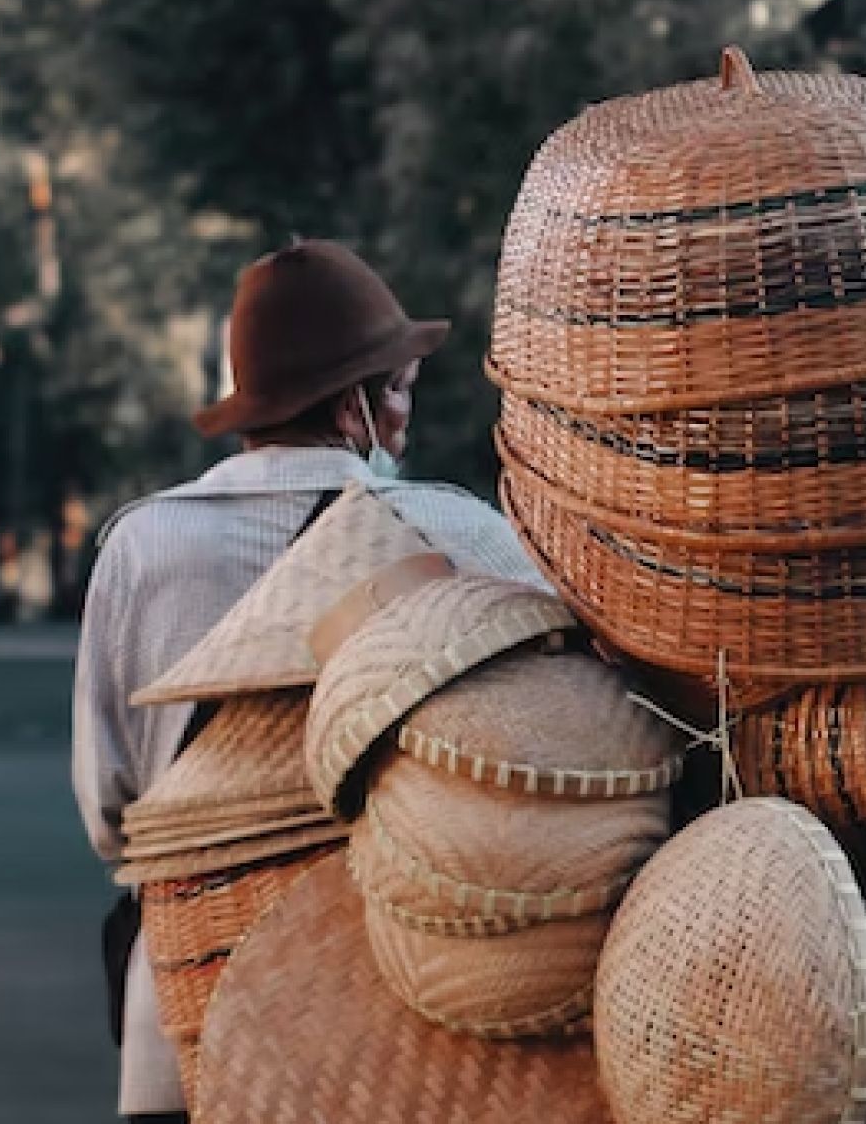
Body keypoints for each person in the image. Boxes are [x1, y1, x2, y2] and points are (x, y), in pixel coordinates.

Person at [71, 239, 543, 1122]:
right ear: (356, 404)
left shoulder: (141, 547)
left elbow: (110, 812)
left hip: (188, 999)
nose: (406, 414)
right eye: (398, 389)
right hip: (404, 1011)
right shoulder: (459, 537)